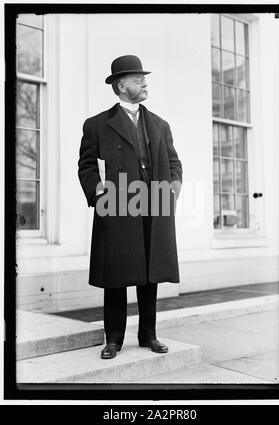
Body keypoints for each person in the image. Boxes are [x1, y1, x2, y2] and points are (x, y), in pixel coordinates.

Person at [78, 55, 183, 359]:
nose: (145, 83)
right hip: (117, 206)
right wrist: (100, 196)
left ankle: (148, 335)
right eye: (138, 79)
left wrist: (172, 191)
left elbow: (174, 163)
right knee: (116, 275)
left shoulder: (160, 124)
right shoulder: (97, 125)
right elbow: (86, 167)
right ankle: (113, 339)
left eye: (144, 78)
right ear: (122, 86)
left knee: (150, 273)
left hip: (154, 203)